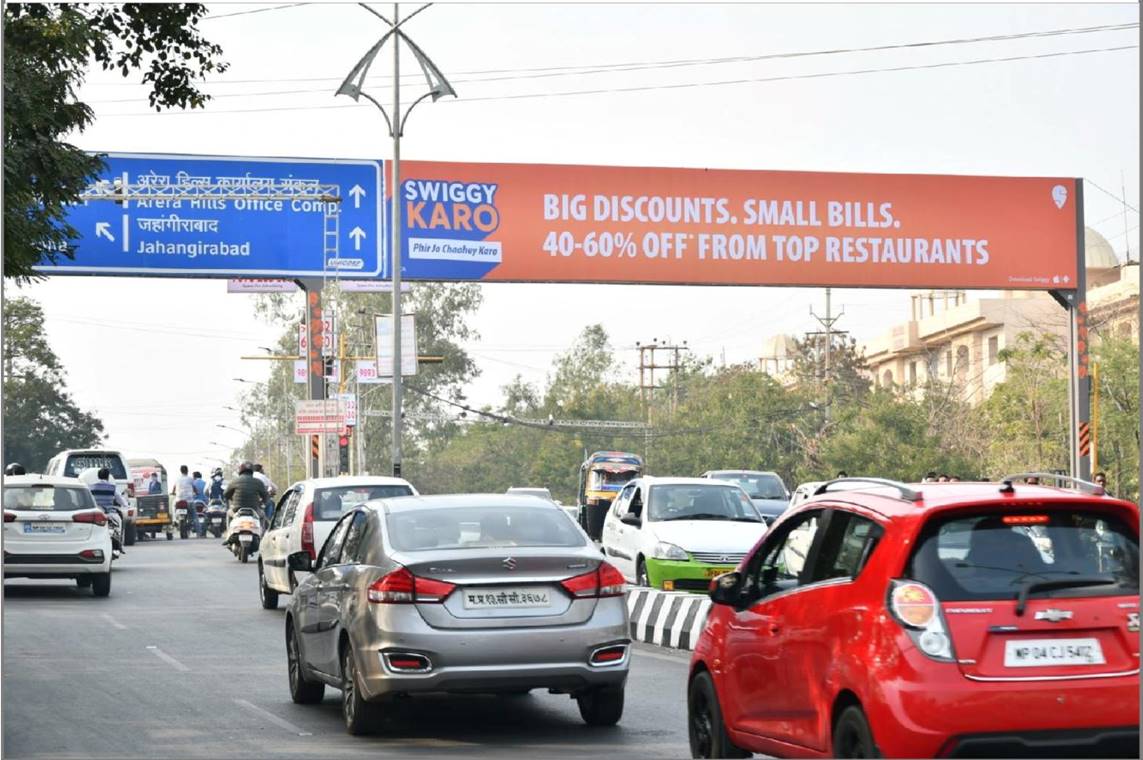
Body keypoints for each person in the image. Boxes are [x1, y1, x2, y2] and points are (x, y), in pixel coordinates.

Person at [88, 467, 128, 555]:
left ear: (99, 476)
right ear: (108, 477)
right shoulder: (112, 487)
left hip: (97, 514)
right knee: (119, 522)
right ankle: (120, 544)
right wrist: (125, 504)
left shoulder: (91, 487)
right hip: (110, 513)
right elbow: (121, 500)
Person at [224, 461, 269, 527]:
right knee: (262, 515)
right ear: (252, 471)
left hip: (236, 509)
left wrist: (233, 499)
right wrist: (261, 503)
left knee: (228, 513)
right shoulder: (258, 482)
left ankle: (229, 532)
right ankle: (261, 533)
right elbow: (265, 496)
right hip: (254, 509)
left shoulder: (234, 481)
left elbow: (226, 494)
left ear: (240, 471)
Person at [171, 464, 200, 536]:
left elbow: (174, 489)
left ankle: (174, 519)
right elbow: (195, 488)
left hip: (179, 500)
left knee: (173, 506)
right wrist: (196, 493)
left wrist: (173, 493)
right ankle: (199, 533)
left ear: (180, 471)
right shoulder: (190, 479)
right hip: (189, 500)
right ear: (187, 471)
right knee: (194, 516)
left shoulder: (177, 479)